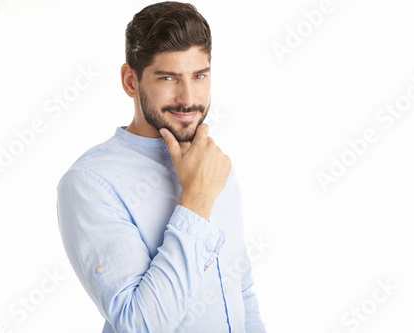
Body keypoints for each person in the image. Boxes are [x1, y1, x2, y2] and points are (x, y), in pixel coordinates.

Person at [57, 2, 266, 332]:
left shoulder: (215, 163)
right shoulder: (90, 183)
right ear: (130, 81)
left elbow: (240, 289)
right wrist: (195, 201)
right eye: (168, 77)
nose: (188, 98)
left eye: (199, 76)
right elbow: (139, 324)